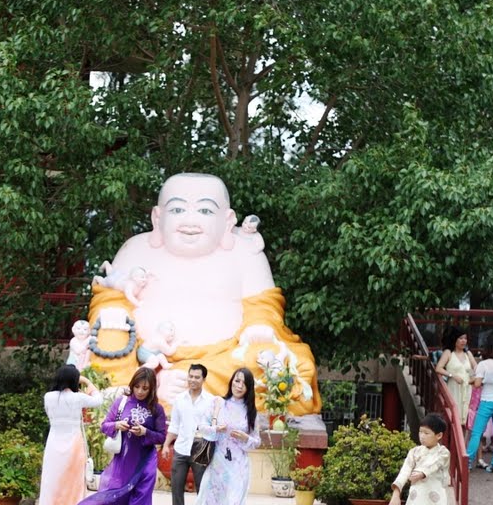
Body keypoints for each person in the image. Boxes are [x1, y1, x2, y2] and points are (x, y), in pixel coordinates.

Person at [86, 172, 320, 412]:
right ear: (158, 218)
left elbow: (264, 307)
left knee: (271, 359)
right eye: (177, 210)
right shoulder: (135, 249)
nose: (190, 220)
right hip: (146, 359)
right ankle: (148, 386)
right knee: (107, 338)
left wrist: (258, 326)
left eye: (205, 211)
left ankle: (186, 386)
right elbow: (109, 302)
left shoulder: (245, 253)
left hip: (224, 361)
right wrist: (147, 371)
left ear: (228, 221)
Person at [65, 366, 166, 505]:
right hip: (121, 465)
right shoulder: (122, 402)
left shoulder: (157, 409)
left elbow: (162, 436)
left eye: (145, 388)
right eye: (137, 386)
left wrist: (145, 432)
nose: (140, 391)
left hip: (144, 465)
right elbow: (105, 425)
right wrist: (116, 425)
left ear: (151, 388)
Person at [179, 367, 262, 505]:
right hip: (217, 468)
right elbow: (202, 427)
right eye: (236, 381)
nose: (239, 386)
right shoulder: (218, 404)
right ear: (231, 382)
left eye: (243, 383)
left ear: (248, 387)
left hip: (238, 469)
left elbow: (256, 442)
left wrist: (244, 438)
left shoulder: (252, 413)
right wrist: (217, 429)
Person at [35, 365, 102, 505]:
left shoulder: (48, 397)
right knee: (72, 490)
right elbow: (99, 400)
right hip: (73, 448)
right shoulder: (78, 398)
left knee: (51, 488)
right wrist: (87, 381)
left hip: (53, 447)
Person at [161, 363, 215, 505]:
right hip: (181, 446)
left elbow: (214, 427)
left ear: (203, 379)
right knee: (176, 486)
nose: (192, 380)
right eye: (190, 376)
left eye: (197, 377)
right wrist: (165, 445)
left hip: (201, 446)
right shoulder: (179, 399)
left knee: (202, 487)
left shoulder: (211, 401)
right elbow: (175, 425)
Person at [467, 337, 493, 473]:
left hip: (487, 401)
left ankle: (467, 463)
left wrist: (471, 380)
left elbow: (478, 384)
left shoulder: (483, 364)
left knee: (476, 433)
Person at [434, 326, 476, 429]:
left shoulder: (468, 354)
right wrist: (452, 375)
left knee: (466, 419)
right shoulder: (449, 353)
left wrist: (472, 377)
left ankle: (462, 444)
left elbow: (475, 368)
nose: (463, 341)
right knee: (452, 416)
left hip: (466, 388)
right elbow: (438, 368)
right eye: (461, 338)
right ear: (455, 339)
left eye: (465, 338)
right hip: (453, 387)